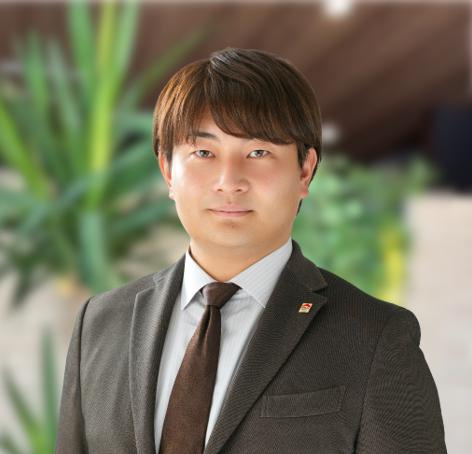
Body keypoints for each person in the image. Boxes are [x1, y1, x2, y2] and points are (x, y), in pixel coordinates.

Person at [56, 47, 447, 454]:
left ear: (304, 170)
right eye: (203, 152)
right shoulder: (100, 323)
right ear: (168, 170)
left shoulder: (375, 338)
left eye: (259, 152)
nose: (229, 181)